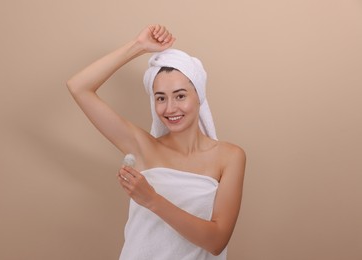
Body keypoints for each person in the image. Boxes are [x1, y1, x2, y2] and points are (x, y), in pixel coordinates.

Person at [67, 24, 246, 260]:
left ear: (199, 96)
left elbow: (216, 241)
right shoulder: (143, 147)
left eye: (180, 96)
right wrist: (139, 46)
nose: (170, 108)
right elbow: (79, 87)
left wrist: (152, 200)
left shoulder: (229, 157)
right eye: (160, 98)